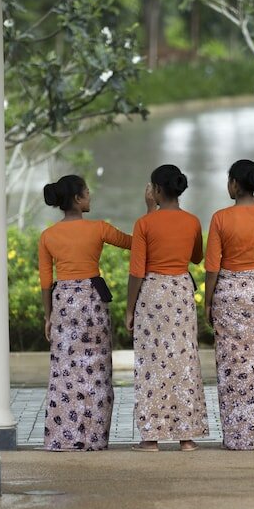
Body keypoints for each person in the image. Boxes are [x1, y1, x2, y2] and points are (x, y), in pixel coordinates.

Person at [38, 175, 151, 451]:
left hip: (63, 302)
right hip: (91, 301)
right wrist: (150, 211)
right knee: (95, 369)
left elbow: (44, 281)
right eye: (87, 192)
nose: (90, 196)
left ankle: (63, 437)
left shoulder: (48, 236)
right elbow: (135, 243)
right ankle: (94, 437)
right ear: (77, 199)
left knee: (66, 371)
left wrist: (48, 315)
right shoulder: (99, 229)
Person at [125, 165, 209, 453]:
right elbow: (197, 257)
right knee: (184, 361)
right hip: (181, 292)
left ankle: (151, 438)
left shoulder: (144, 224)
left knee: (152, 364)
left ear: (156, 190)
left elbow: (137, 270)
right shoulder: (193, 221)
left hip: (152, 294)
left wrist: (128, 309)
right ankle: (187, 438)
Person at [204, 159, 254, 450]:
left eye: (229, 181)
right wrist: (253, 196)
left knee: (231, 366)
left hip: (228, 292)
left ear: (235, 184)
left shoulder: (220, 218)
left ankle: (238, 436)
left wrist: (208, 303)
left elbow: (212, 265)